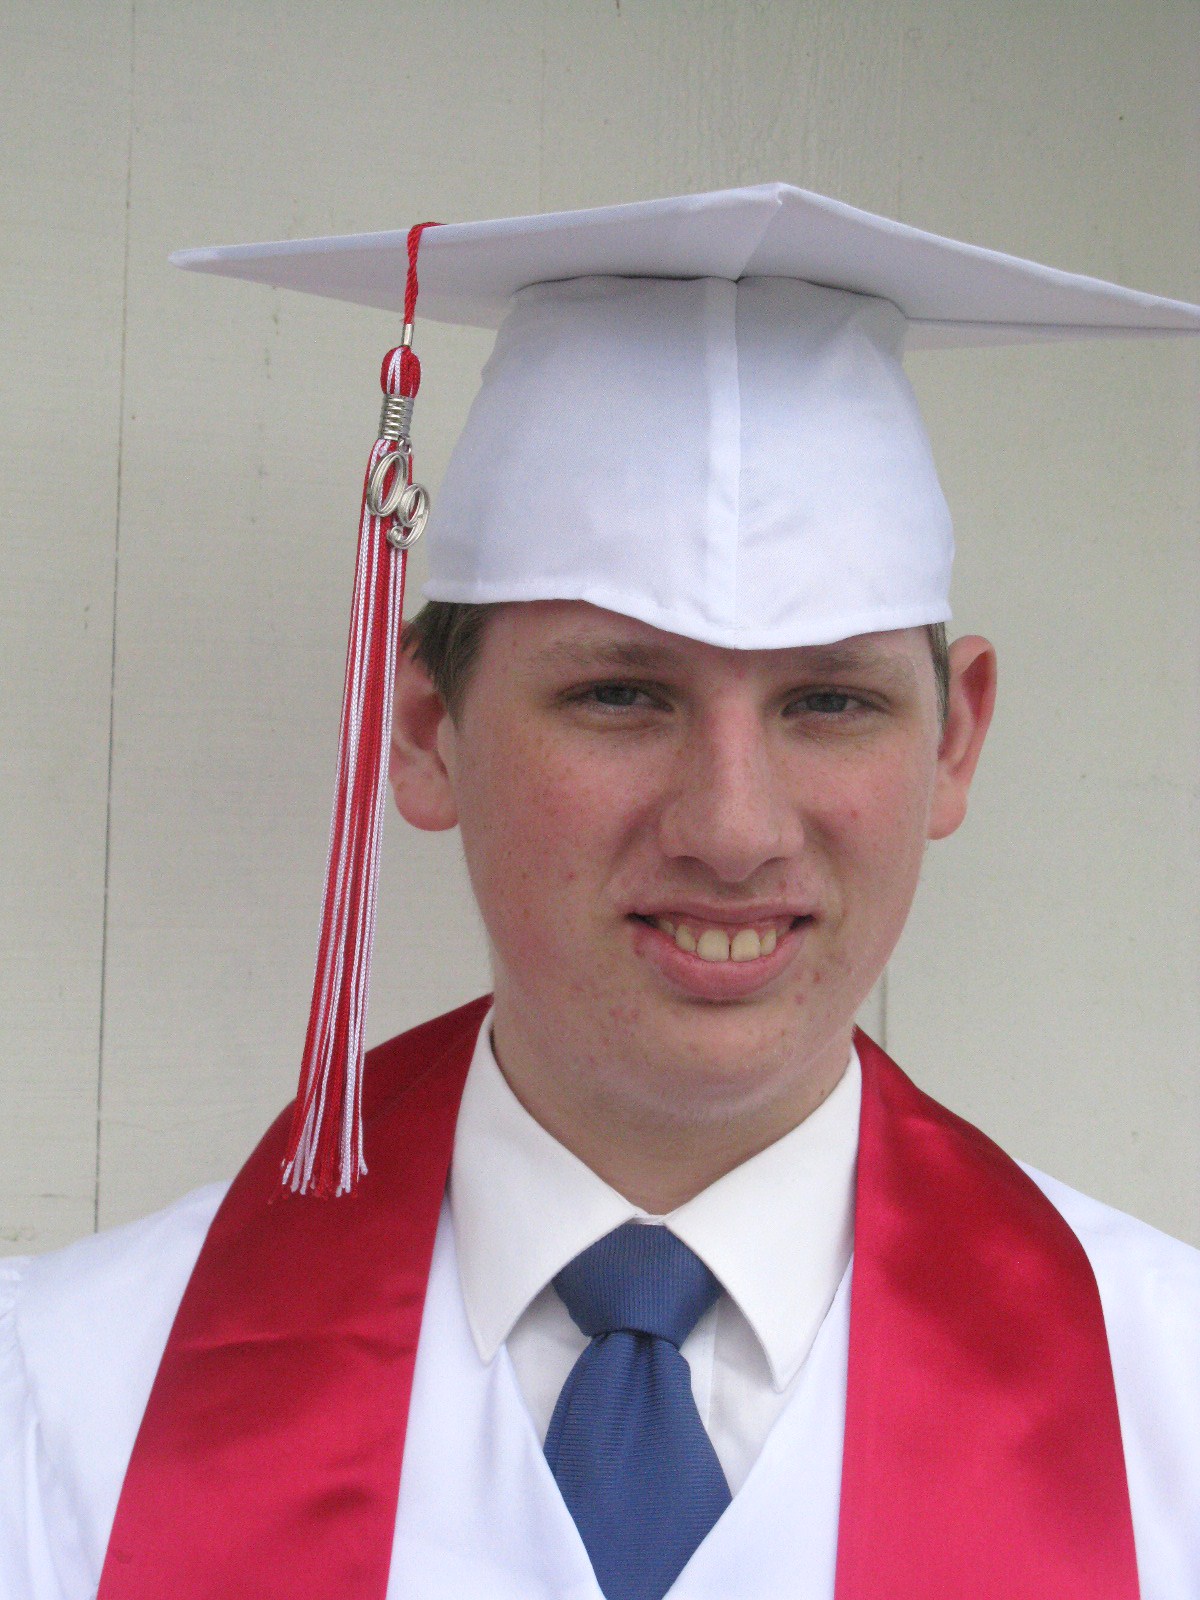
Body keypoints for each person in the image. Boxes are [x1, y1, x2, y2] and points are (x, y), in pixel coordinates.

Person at [2, 185, 1198, 1600]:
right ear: (426, 730)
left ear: (955, 740)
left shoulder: (1170, 1411)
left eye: (829, 700)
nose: (734, 830)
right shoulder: (62, 1410)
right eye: (620, 694)